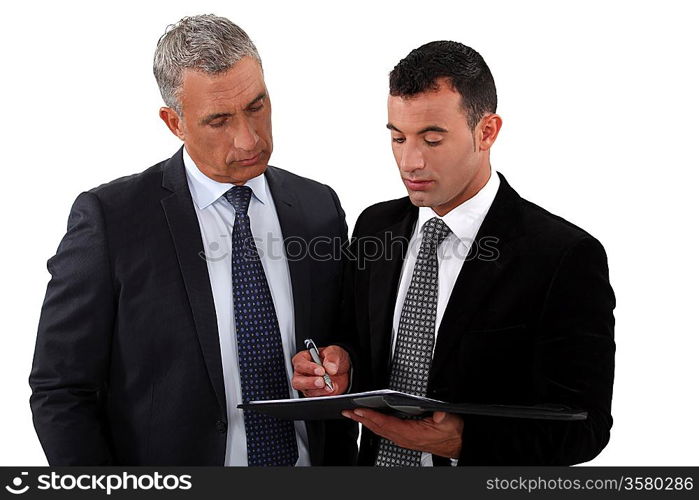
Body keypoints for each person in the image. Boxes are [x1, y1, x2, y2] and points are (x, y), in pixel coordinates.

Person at [29, 14, 357, 466]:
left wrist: (344, 366)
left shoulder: (318, 206)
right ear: (174, 122)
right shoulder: (111, 220)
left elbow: (348, 341)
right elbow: (61, 390)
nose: (248, 139)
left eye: (257, 106)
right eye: (219, 120)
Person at [292, 41, 615, 466]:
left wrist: (461, 443)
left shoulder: (563, 256)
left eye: (432, 139)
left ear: (487, 132)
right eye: (398, 138)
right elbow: (361, 345)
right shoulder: (376, 227)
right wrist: (340, 367)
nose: (410, 161)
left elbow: (584, 426)